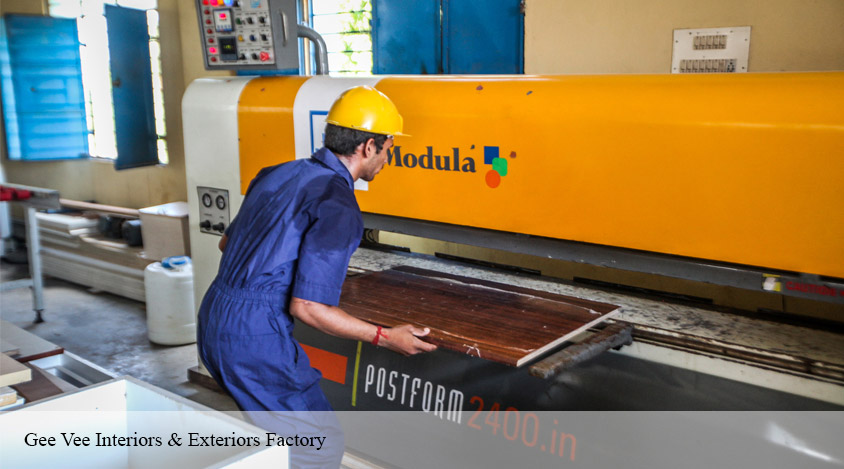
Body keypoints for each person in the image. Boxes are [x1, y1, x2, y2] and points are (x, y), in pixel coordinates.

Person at [197, 86, 437, 467]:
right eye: (388, 149)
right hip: (253, 337)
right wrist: (385, 336)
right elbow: (307, 307)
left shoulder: (276, 173)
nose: (387, 159)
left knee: (281, 438)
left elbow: (227, 244)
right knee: (318, 444)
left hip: (213, 317)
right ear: (368, 147)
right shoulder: (338, 202)